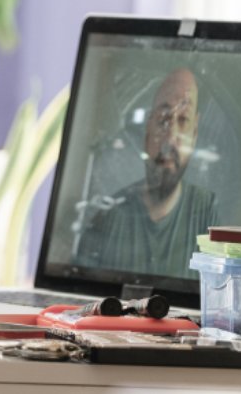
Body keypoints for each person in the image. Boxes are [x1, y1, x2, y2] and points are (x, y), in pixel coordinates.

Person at [73, 68, 216, 278]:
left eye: (183, 120)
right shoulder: (107, 218)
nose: (170, 137)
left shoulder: (208, 214)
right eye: (163, 119)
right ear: (147, 129)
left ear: (194, 135)